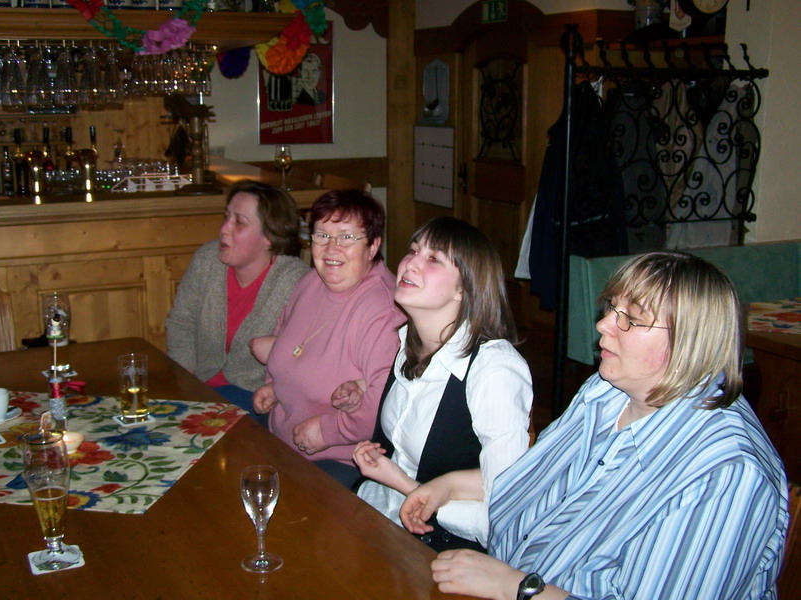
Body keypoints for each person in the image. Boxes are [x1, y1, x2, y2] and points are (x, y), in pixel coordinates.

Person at [400, 251, 789, 599]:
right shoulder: (607, 392)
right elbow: (534, 486)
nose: (603, 325)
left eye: (631, 320)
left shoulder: (727, 475)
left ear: (692, 343)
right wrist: (453, 484)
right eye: (611, 308)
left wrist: (517, 586)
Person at [353, 217, 533, 553]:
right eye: (413, 250)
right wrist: (380, 460)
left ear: (465, 288)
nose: (410, 263)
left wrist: (404, 485)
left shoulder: (495, 370)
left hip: (446, 543)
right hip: (378, 508)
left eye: (433, 259)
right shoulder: (408, 342)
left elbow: (505, 506)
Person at [252, 189, 406, 488]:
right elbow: (285, 339)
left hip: (340, 461)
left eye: (347, 237)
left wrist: (327, 431)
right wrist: (273, 384)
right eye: (321, 236)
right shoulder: (310, 282)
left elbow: (386, 403)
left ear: (373, 246)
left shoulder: (383, 312)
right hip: (279, 437)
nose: (331, 248)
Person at [166, 179, 309, 422]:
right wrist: (187, 378)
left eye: (239, 222)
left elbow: (302, 358)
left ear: (269, 238)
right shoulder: (207, 259)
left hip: (256, 397)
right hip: (198, 384)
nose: (224, 228)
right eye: (226, 217)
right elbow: (181, 323)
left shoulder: (296, 282)